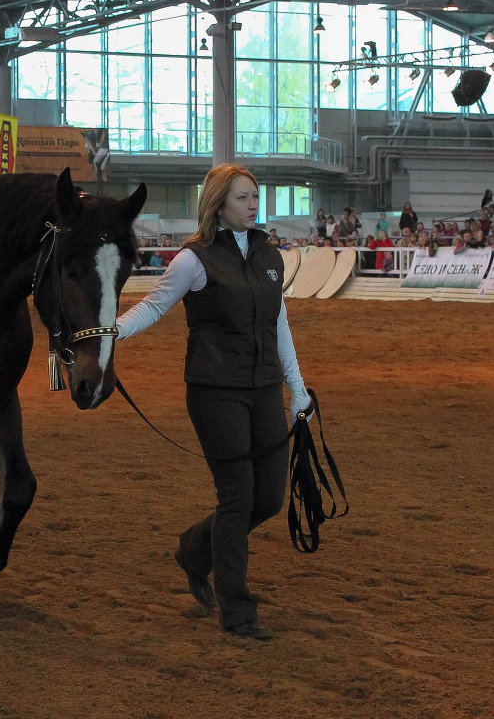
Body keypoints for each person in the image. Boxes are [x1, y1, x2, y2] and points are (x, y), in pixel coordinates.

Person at [116, 163, 311, 641]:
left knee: (267, 498)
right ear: (219, 202)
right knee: (237, 497)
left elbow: (278, 323)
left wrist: (297, 390)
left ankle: (194, 553)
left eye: (255, 197)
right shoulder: (193, 259)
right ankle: (238, 611)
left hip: (264, 387)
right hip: (214, 391)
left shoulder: (269, 255)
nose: (253, 205)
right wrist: (108, 333)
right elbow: (154, 305)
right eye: (243, 197)